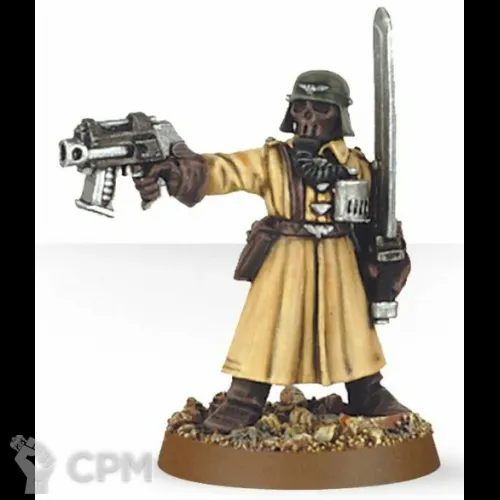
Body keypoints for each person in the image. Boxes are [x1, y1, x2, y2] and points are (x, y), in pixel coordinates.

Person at [134, 70, 412, 434]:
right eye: (302, 107)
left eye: (321, 109)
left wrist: (388, 245)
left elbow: (375, 215)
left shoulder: (356, 166)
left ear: (340, 115)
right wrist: (178, 172)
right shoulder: (274, 159)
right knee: (265, 325)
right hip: (286, 258)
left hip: (339, 257)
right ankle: (244, 398)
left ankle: (366, 391)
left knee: (351, 326)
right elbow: (227, 169)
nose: (308, 118)